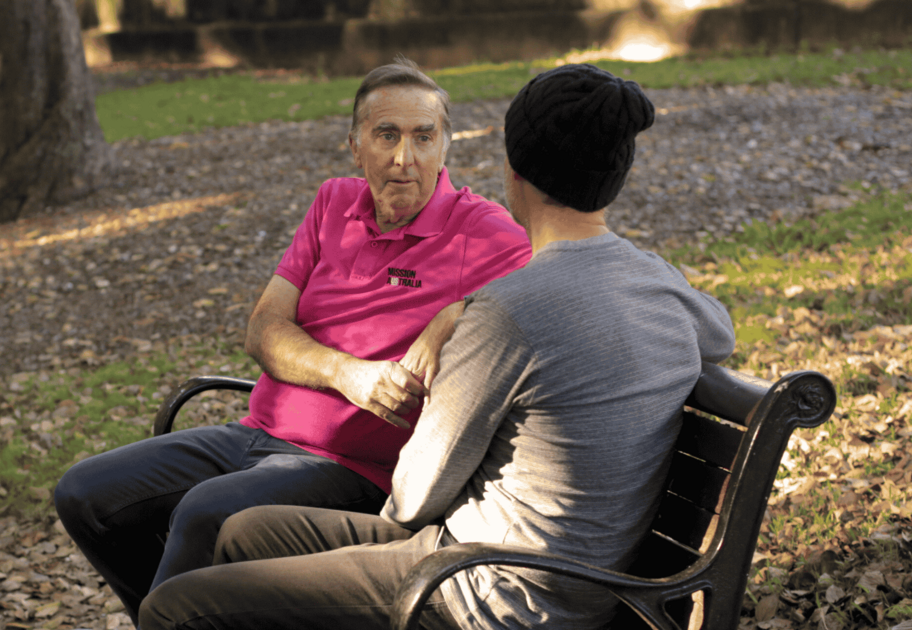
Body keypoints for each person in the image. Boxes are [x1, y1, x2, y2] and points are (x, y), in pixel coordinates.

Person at [137, 63, 737, 630]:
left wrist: (379, 535)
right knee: (245, 535)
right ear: (615, 178)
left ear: (513, 169)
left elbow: (418, 491)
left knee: (173, 607)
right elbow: (722, 333)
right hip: (542, 568)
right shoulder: (658, 284)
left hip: (482, 588)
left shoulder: (508, 312)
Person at [54, 58, 531, 626]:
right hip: (255, 433)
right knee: (84, 493)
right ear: (355, 147)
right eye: (387, 136)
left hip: (355, 469)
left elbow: (561, 284)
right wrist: (348, 373)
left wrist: (454, 313)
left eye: (423, 137)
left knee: (206, 511)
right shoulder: (334, 203)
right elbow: (264, 330)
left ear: (445, 148)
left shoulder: (480, 231)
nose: (406, 158)